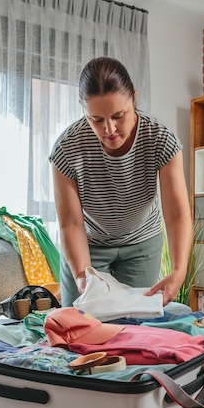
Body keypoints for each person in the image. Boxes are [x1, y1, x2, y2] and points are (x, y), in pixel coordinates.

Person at [50, 56, 192, 307]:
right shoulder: (67, 148)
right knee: (79, 326)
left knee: (133, 326)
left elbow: (177, 213)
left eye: (119, 115)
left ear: (134, 98)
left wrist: (179, 270)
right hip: (89, 245)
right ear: (83, 110)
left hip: (141, 244)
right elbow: (71, 223)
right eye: (97, 120)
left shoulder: (160, 139)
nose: (109, 129)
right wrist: (83, 277)